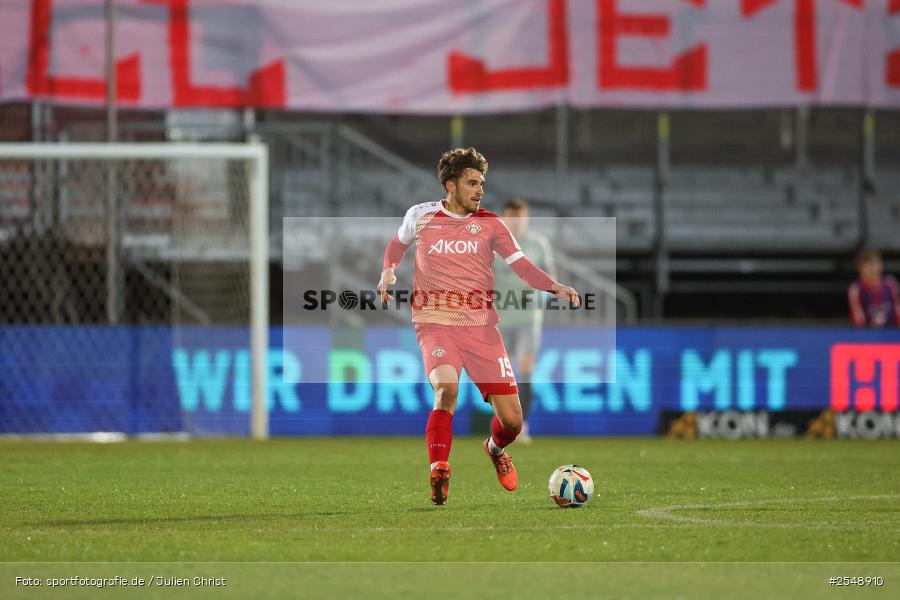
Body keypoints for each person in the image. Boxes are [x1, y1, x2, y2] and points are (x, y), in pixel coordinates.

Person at [377, 147, 580, 505]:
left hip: (481, 328)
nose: (480, 189)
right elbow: (397, 244)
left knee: (513, 423)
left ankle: (495, 449)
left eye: (482, 183)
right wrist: (389, 268)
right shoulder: (420, 215)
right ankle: (439, 466)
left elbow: (521, 265)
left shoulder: (491, 224)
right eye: (472, 182)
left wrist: (554, 285)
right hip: (435, 322)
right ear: (450, 185)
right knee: (446, 391)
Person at [492, 198, 556, 444]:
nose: (516, 222)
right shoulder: (493, 246)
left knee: (526, 367)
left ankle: (522, 426)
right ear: (504, 218)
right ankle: (504, 423)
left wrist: (540, 299)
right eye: (511, 216)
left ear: (526, 218)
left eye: (519, 217)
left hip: (528, 318)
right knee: (499, 374)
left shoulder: (538, 245)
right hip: (498, 319)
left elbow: (549, 279)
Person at [848, 248, 900, 328]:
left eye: (876, 263)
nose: (873, 268)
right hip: (868, 335)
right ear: (860, 268)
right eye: (868, 264)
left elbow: (897, 309)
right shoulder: (856, 289)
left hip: (892, 333)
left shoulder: (891, 283)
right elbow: (858, 319)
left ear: (881, 264)